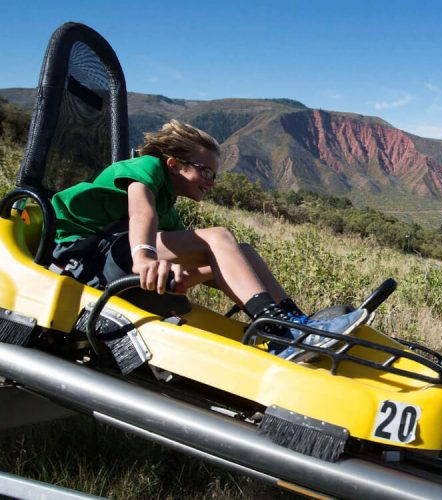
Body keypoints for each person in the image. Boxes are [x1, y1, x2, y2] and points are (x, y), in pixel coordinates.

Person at [50, 119, 366, 359]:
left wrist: (192, 275)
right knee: (218, 237)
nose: (211, 182)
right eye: (206, 172)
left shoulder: (168, 205)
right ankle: (279, 331)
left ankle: (295, 322)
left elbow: (211, 264)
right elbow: (141, 213)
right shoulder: (146, 168)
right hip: (80, 257)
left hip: (111, 255)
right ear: (174, 163)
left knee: (241, 251)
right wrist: (145, 258)